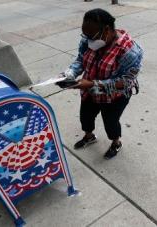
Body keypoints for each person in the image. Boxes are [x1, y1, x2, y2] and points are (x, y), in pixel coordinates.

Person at [58, 8, 143, 159]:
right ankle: (89, 136)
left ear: (108, 29)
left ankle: (116, 143)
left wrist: (91, 84)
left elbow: (124, 81)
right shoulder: (89, 39)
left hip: (115, 96)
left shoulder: (130, 51)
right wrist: (69, 73)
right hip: (89, 90)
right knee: (86, 116)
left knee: (111, 122)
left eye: (91, 35)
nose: (88, 40)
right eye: (85, 35)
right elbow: (80, 59)